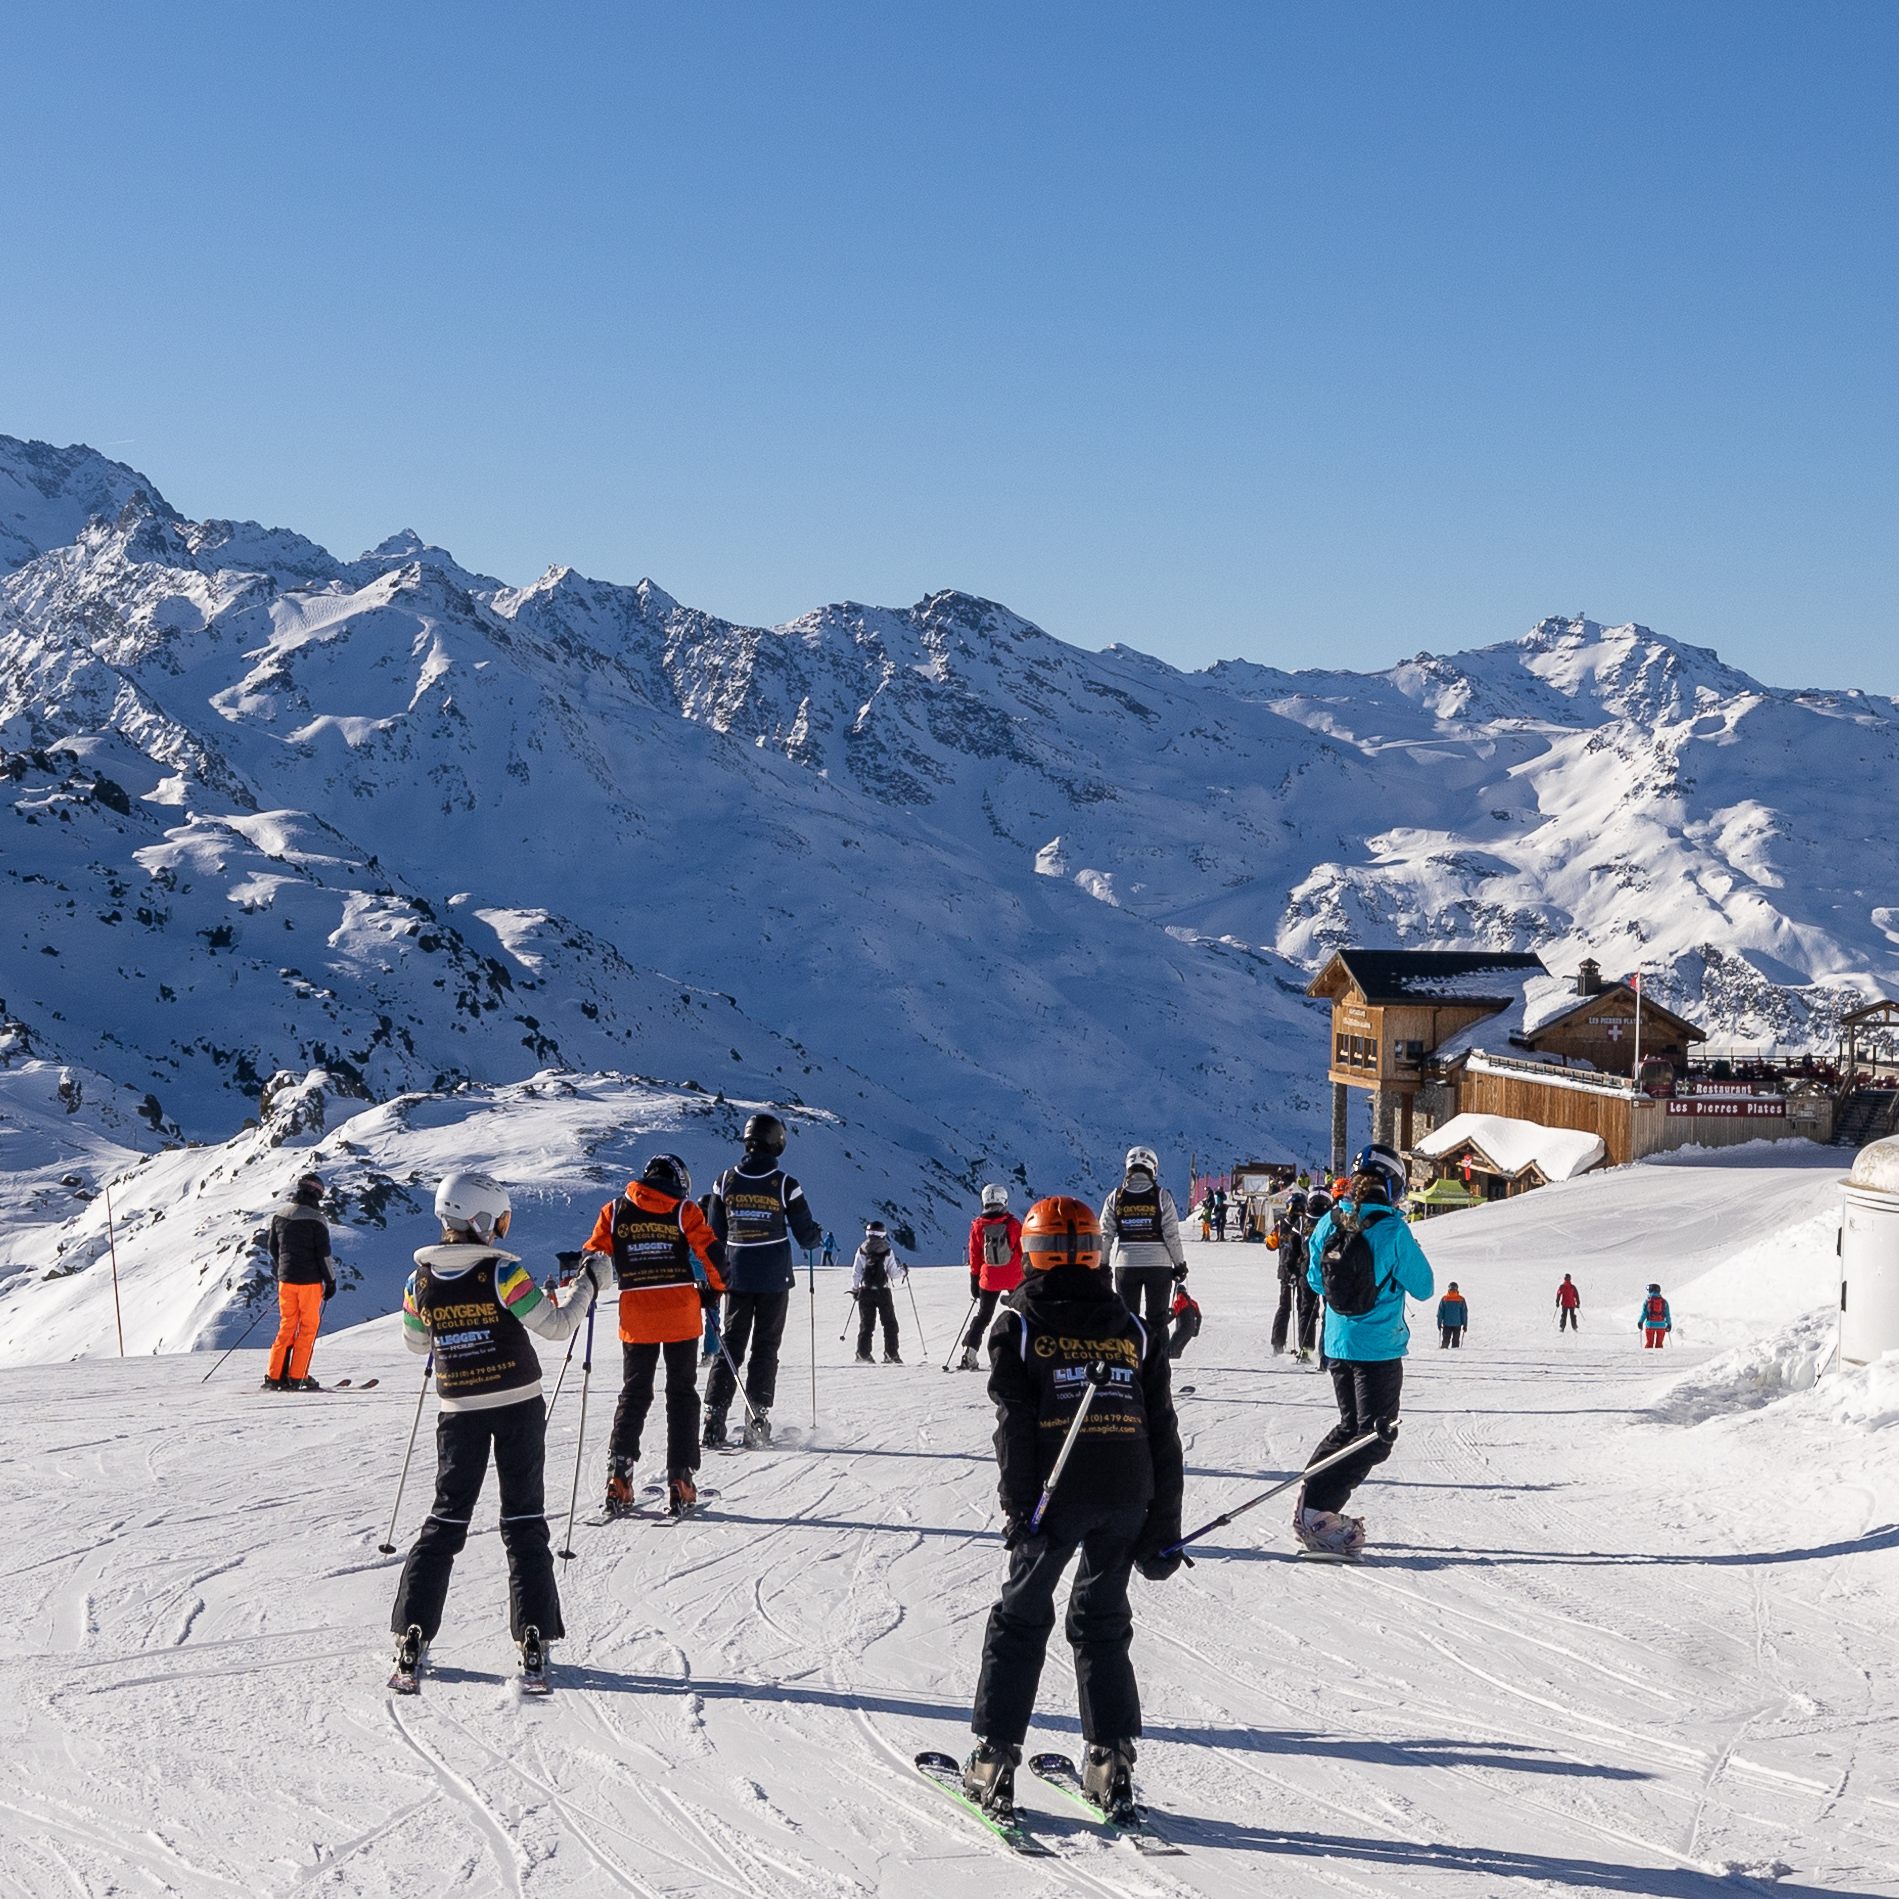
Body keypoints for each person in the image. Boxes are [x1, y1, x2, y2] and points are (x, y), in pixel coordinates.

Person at [962, 1196, 1184, 1823]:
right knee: (1101, 1620)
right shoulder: (1134, 1328)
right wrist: (1162, 1525)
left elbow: (1016, 1426)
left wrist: (1019, 1508)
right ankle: (1110, 1762)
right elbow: (1162, 1430)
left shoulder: (1020, 1324)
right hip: (1126, 1494)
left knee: (1021, 1617)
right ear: (1098, 1252)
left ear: (1030, 1254)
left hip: (1056, 1495)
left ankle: (995, 1760)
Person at [389, 1171, 601, 1690]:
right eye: (500, 1221)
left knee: (445, 1520)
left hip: (458, 1408)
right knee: (525, 1520)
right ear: (482, 1220)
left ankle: (412, 1633)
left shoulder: (420, 1281)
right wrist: (589, 1286)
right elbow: (554, 1325)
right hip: (517, 1405)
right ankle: (533, 1635)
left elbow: (417, 1344)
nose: (501, 1231)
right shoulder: (505, 1274)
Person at [1298, 1143, 1434, 1556]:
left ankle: (1314, 1500)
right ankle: (1318, 1510)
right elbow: (1425, 1288)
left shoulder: (1330, 1222)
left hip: (1338, 1343)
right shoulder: (1392, 1230)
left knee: (1350, 1427)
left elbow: (1315, 1279)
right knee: (1376, 1436)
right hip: (1378, 1348)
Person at [580, 1153, 727, 1519]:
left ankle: (619, 1476)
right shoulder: (684, 1210)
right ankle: (680, 1480)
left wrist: (586, 1289)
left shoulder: (613, 1210)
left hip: (637, 1316)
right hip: (680, 1313)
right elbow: (714, 1256)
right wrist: (714, 1290)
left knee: (634, 1392)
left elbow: (594, 1257)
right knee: (681, 1394)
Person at [703, 1112, 823, 1448]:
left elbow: (714, 1233)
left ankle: (713, 1417)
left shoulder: (723, 1180)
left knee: (731, 1344)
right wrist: (816, 1237)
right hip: (773, 1277)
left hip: (737, 1275)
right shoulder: (786, 1184)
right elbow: (806, 1235)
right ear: (776, 1142)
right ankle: (757, 1419)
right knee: (765, 1348)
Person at [1100, 1146, 1188, 1337]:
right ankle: (1158, 1364)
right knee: (1158, 1320)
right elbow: (1171, 1235)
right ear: (1153, 1168)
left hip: (1126, 1265)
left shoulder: (1115, 1197)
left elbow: (1105, 1235)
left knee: (1128, 1320)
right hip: (1159, 1267)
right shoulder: (1162, 1196)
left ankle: (1129, 1364)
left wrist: (1103, 1264)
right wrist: (1180, 1264)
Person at [264, 1171, 336, 1392]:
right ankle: (297, 1376)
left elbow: (272, 1248)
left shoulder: (280, 1214)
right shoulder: (316, 1219)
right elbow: (324, 1255)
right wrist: (330, 1281)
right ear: (316, 1194)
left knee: (286, 1326)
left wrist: (284, 1269)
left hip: (285, 1281)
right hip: (309, 1283)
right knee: (307, 1328)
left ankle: (274, 1376)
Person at [958, 1184, 1024, 1370]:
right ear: (1004, 1200)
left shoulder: (978, 1226)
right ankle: (1028, 1352)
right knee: (1024, 1314)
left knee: (983, 1316)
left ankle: (969, 1353)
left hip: (989, 1279)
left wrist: (974, 1280)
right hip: (1014, 1276)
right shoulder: (1013, 1224)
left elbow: (975, 1255)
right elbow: (1022, 1251)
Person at [1268, 1190, 1318, 1360]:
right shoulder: (1304, 1223)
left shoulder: (1284, 1223)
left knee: (1287, 1307)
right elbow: (1271, 1243)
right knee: (1301, 1308)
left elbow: (1270, 1244)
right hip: (1299, 1269)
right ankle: (1305, 1347)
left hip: (1288, 1269)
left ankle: (1279, 1343)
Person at [852, 1221, 906, 1363]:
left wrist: (855, 1289)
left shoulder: (862, 1249)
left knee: (866, 1324)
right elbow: (894, 1274)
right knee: (889, 1324)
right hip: (883, 1291)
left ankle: (863, 1354)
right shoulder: (887, 1250)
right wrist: (904, 1271)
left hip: (865, 1291)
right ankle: (891, 1354)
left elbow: (856, 1272)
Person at [1639, 1283, 1671, 1349]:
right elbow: (1667, 1314)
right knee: (1659, 1344)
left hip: (1650, 1324)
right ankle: (1659, 1358)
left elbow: (1644, 1313)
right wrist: (1669, 1324)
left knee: (1649, 1343)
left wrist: (1640, 1322)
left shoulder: (1647, 1301)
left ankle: (1648, 1357)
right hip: (1661, 1325)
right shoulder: (1664, 1302)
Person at [1437, 1282, 1468, 1349]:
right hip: (1457, 1324)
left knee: (1445, 1340)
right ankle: (1455, 1354)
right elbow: (1464, 1313)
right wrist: (1465, 1324)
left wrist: (1439, 1323)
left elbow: (1440, 1312)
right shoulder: (1461, 1299)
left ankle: (1443, 1354)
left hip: (1447, 1324)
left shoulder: (1444, 1299)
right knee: (1456, 1341)